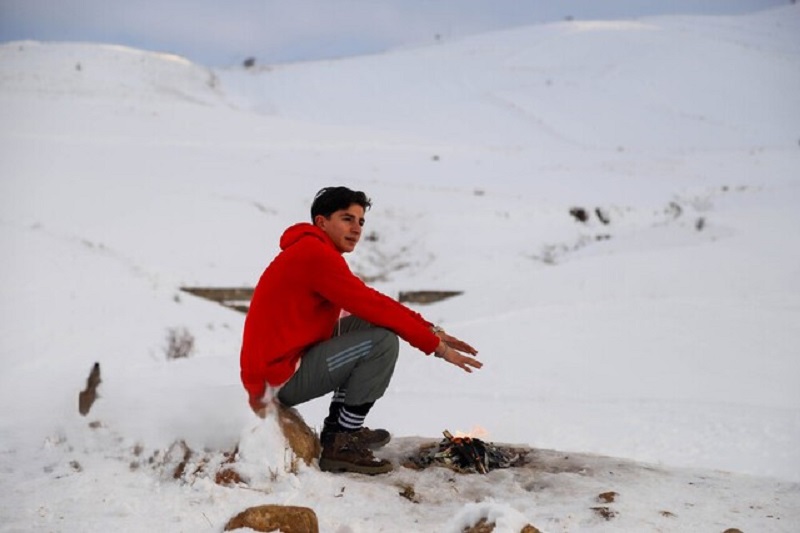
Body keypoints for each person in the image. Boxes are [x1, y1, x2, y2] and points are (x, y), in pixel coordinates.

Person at [240, 186, 482, 474]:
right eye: (347, 218)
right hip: (277, 379)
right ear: (322, 222)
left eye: (361, 221)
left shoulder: (313, 250)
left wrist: (429, 328)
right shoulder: (314, 255)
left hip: (283, 364)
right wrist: (437, 347)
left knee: (372, 325)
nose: (356, 228)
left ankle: (339, 429)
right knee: (381, 342)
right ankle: (341, 443)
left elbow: (371, 303)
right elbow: (370, 303)